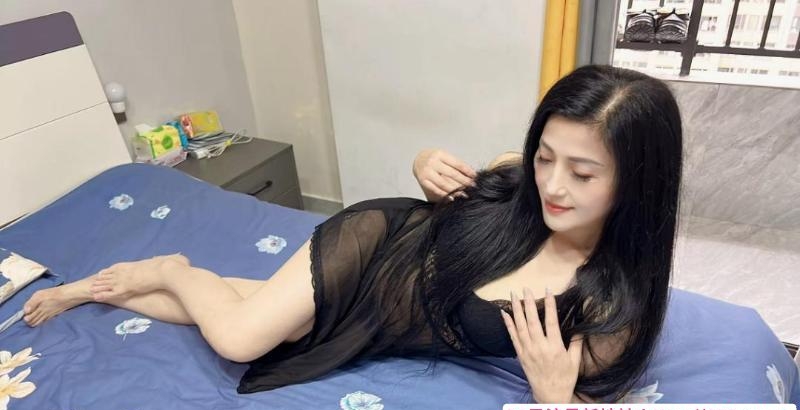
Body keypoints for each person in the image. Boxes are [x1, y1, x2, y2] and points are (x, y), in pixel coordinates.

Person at [22, 65, 683, 403]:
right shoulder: (521, 181)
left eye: (583, 173)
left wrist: (551, 395)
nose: (553, 186)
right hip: (376, 247)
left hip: (389, 319)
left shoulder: (608, 306)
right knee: (239, 335)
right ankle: (172, 268)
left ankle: (98, 290)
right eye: (546, 157)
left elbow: (579, 398)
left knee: (247, 310)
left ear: (638, 180)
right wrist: (424, 161)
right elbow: (458, 183)